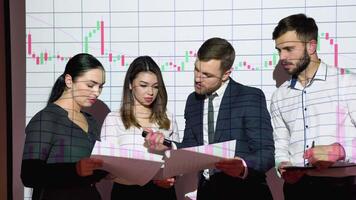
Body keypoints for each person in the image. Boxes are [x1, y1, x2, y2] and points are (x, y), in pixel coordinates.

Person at [146, 37, 275, 200]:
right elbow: (192, 147)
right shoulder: (193, 101)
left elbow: (267, 153)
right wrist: (166, 144)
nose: (198, 78)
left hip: (245, 192)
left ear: (226, 74)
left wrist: (242, 166)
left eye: (206, 74)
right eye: (196, 69)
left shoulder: (250, 97)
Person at [270, 13, 356, 200]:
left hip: (342, 188)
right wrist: (282, 166)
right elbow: (281, 144)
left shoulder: (347, 83)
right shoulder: (279, 96)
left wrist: (341, 151)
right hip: (296, 190)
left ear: (311, 46)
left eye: (289, 49)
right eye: (279, 50)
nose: (282, 57)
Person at [21, 53, 107, 200]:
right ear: (69, 81)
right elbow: (29, 175)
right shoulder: (46, 118)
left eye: (100, 87)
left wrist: (111, 169)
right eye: (90, 85)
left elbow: (92, 170)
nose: (96, 92)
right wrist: (74, 170)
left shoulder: (91, 122)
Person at [93, 56, 179, 200]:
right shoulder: (114, 119)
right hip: (127, 193)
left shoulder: (168, 118)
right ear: (131, 84)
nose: (150, 92)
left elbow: (177, 164)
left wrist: (171, 178)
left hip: (163, 193)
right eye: (144, 85)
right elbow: (106, 169)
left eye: (156, 86)